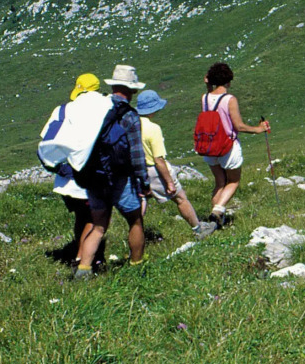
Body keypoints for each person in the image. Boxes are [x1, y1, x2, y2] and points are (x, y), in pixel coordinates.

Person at [74, 64, 151, 278]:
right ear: (132, 90)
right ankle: (137, 266)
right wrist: (144, 183)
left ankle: (84, 270)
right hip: (120, 177)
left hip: (95, 176)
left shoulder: (98, 109)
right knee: (135, 220)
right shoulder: (130, 115)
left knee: (98, 225)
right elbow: (136, 154)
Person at [41, 72, 105, 270]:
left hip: (66, 177)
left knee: (81, 216)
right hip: (91, 174)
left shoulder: (62, 111)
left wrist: (60, 168)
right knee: (94, 219)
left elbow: (46, 138)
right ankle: (81, 260)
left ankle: (81, 252)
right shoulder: (105, 108)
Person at [135, 89, 219, 239]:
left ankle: (135, 234)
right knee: (180, 198)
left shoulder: (132, 125)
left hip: (138, 170)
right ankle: (198, 229)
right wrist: (169, 182)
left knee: (141, 201)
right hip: (155, 171)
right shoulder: (153, 129)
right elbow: (158, 160)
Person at [198, 61, 269, 226]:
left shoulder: (205, 97)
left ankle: (218, 220)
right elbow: (239, 126)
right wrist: (259, 129)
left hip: (209, 147)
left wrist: (208, 84)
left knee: (219, 182)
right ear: (229, 81)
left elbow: (210, 95)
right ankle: (218, 210)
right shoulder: (229, 99)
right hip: (227, 146)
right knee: (233, 181)